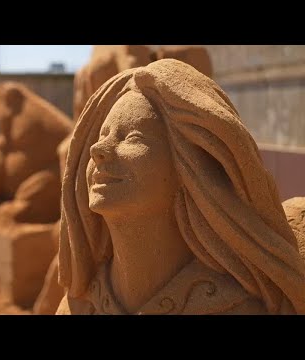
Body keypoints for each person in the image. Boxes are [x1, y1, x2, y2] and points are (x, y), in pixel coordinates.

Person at [56, 59, 305, 315]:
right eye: (101, 136)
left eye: (133, 138)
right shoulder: (78, 306)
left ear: (187, 167)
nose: (98, 150)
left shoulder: (239, 308)